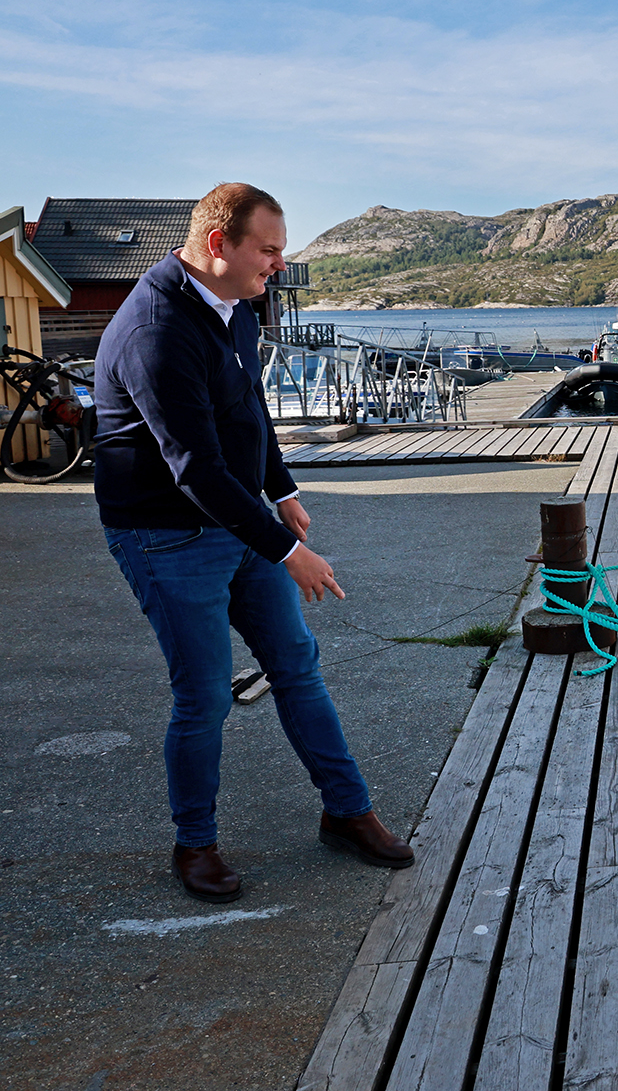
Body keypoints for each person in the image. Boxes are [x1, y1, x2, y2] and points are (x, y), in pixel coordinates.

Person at [94, 182, 413, 904]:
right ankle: (195, 844)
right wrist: (284, 548)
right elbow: (194, 468)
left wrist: (284, 487)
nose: (279, 263)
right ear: (219, 245)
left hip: (240, 523)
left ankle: (347, 812)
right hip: (166, 537)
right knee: (204, 694)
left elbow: (250, 413)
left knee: (297, 665)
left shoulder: (234, 307)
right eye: (267, 250)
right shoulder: (156, 331)